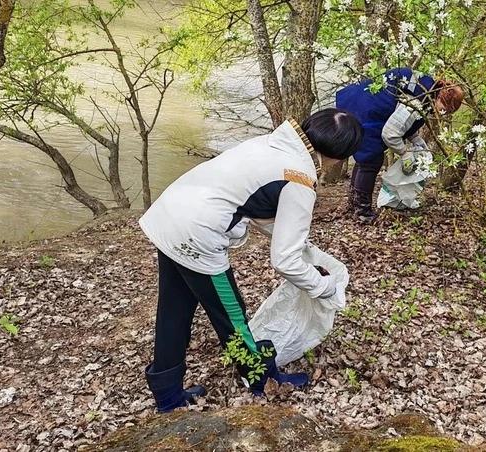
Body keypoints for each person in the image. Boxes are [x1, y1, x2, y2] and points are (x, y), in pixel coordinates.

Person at [138, 109, 363, 413]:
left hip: (169, 215)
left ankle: (166, 395)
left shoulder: (271, 143)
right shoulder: (299, 178)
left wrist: (305, 250)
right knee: (232, 318)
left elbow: (256, 205)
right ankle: (262, 379)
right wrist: (323, 287)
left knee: (174, 310)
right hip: (197, 234)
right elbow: (284, 260)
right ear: (340, 155)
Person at [335, 67, 464, 223]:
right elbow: (390, 133)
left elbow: (403, 123)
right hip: (366, 112)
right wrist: (404, 154)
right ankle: (363, 212)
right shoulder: (417, 101)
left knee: (365, 160)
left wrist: (416, 140)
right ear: (441, 98)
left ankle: (355, 204)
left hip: (361, 105)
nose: (442, 114)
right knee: (370, 160)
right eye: (444, 109)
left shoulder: (425, 91)